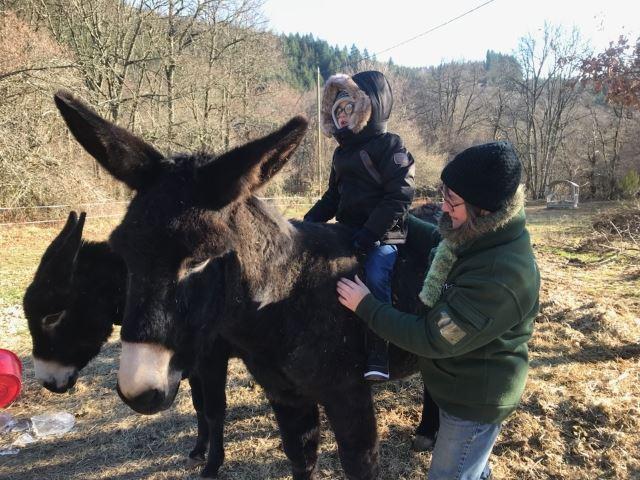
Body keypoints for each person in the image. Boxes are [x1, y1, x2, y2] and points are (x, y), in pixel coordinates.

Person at [336, 141, 540, 480]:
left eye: (452, 201)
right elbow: (440, 245)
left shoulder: (499, 277)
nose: (444, 207)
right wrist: (394, 220)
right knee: (471, 466)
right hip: (457, 380)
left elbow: (430, 337)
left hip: (474, 400)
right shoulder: (481, 235)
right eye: (444, 194)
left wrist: (366, 305)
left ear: (484, 210)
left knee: (451, 473)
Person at [304, 71, 416, 381]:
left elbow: (400, 196)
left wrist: (370, 234)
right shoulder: (341, 153)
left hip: (384, 234)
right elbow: (332, 196)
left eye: (348, 108)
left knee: (377, 273)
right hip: (348, 229)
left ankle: (378, 351)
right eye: (336, 110)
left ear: (368, 109)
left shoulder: (390, 145)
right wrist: (307, 223)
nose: (341, 116)